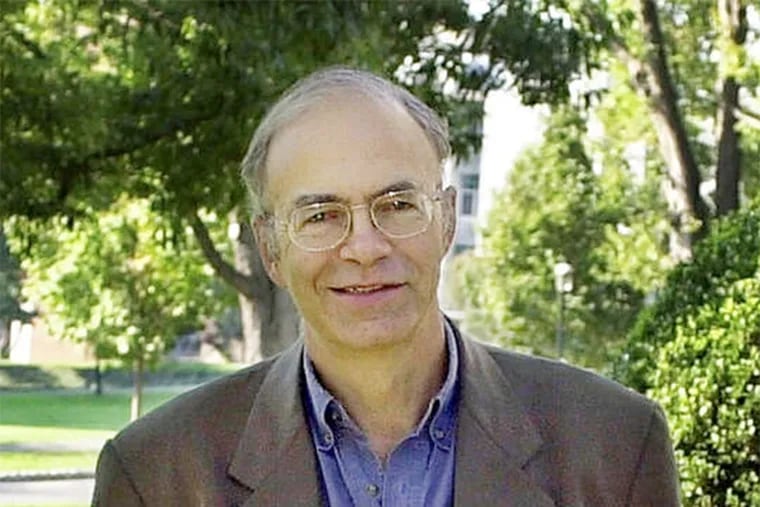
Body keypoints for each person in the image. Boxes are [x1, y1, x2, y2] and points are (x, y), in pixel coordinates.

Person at [92, 67, 680, 506]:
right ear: (270, 248)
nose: (365, 247)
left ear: (446, 220)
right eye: (321, 215)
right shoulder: (157, 474)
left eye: (397, 205)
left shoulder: (614, 446)